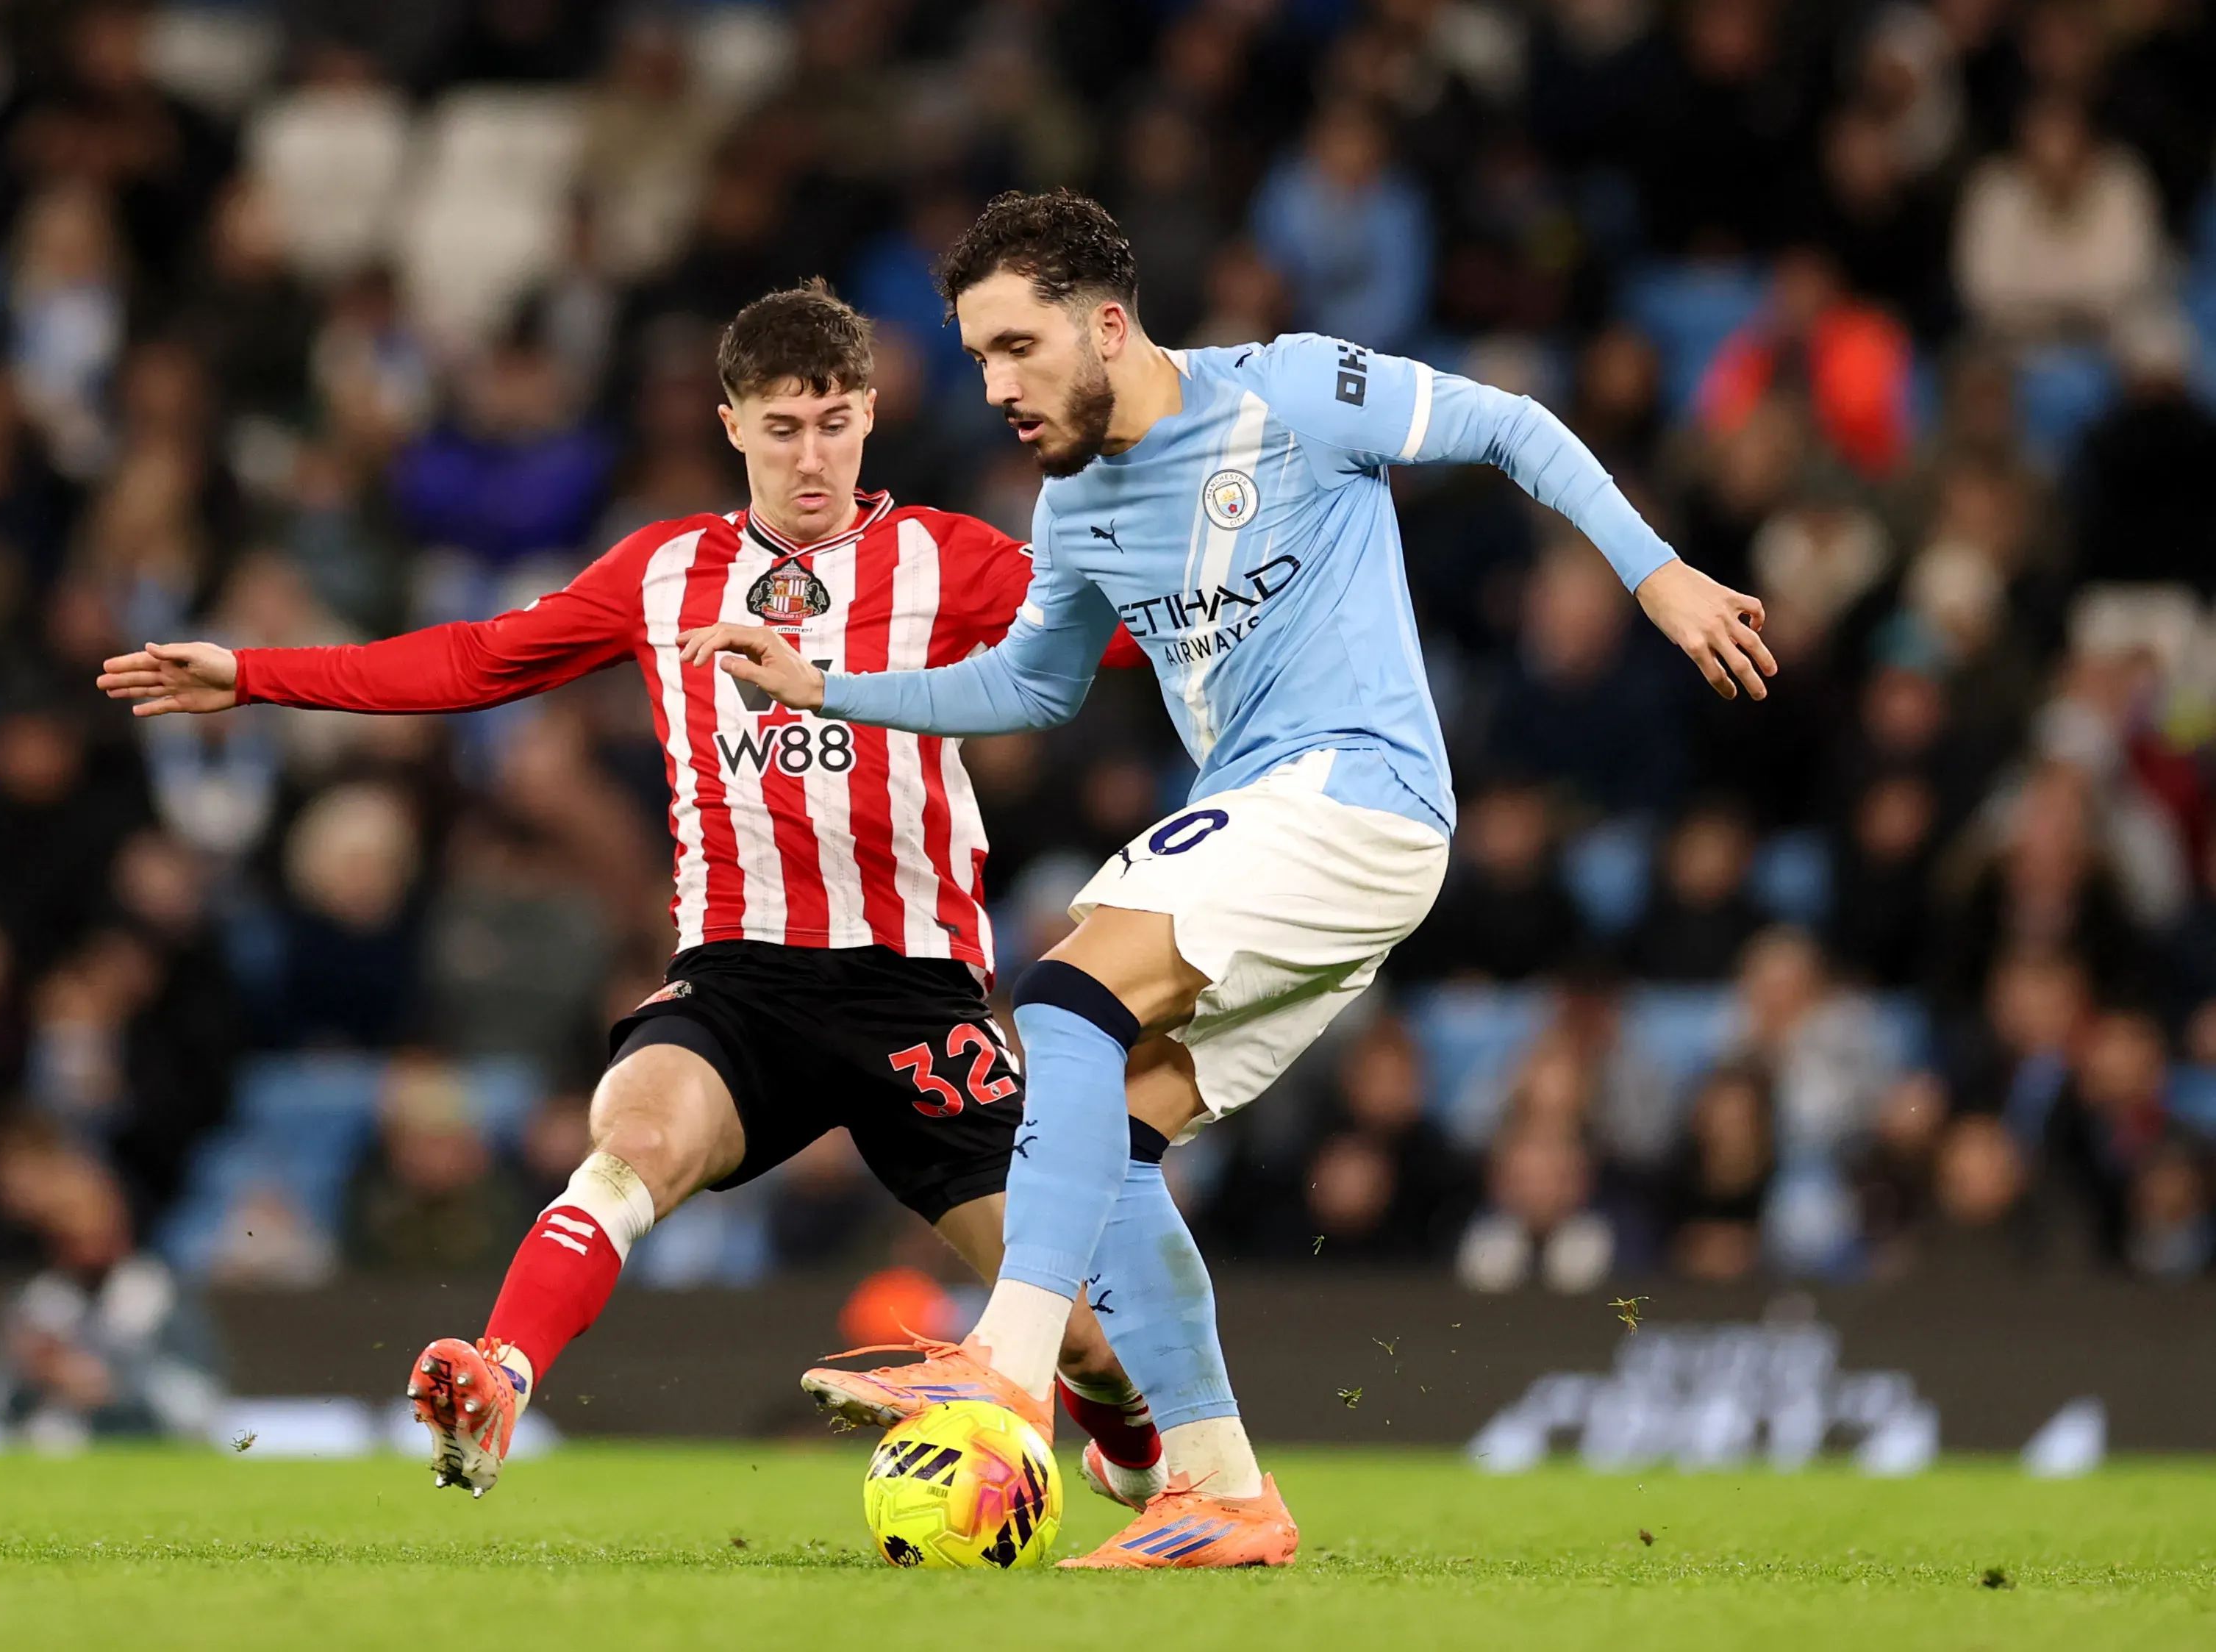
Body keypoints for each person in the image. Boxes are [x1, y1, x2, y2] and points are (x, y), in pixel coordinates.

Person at [686, 190, 1773, 1567]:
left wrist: (1655, 574)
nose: (996, 387)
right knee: (1118, 1144)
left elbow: (1509, 424)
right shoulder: (1074, 500)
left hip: (1350, 789)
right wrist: (826, 685)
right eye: (975, 361)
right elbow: (1030, 685)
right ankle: (1222, 1490)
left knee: (1066, 998)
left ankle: (1007, 1363)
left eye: (1017, 348)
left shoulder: (1294, 390)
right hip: (1294, 831)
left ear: (1108, 323)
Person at [95, 283, 1166, 1505]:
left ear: (868, 415)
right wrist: (254, 674)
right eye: (780, 427)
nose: (809, 455)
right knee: (635, 1137)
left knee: (1074, 1334)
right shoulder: (663, 573)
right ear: (731, 427)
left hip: (913, 989)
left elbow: (1129, 637)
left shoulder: (948, 559)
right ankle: (498, 1376)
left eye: (830, 423)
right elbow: (477, 659)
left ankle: (1129, 1440)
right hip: (741, 978)